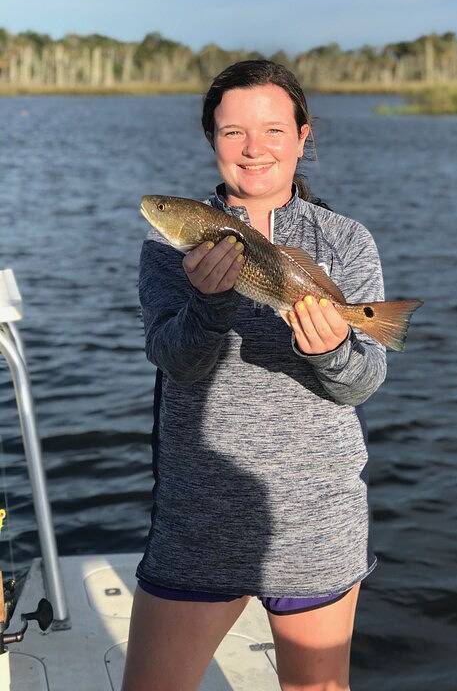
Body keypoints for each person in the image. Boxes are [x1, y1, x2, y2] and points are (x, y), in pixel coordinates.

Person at [122, 59, 387, 691]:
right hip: (198, 511)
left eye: (273, 130)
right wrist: (209, 304)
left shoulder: (345, 242)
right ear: (210, 138)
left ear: (303, 135)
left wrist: (332, 351)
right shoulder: (168, 246)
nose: (254, 148)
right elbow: (177, 361)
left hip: (316, 513)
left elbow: (361, 383)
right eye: (232, 131)